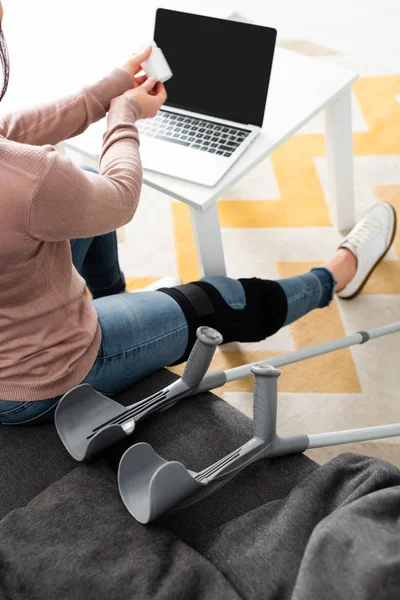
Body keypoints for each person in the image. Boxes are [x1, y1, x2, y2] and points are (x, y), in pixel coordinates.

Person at [0, 3, 396, 425]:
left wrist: (108, 90)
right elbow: (118, 198)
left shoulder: (24, 179)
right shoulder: (30, 179)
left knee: (81, 181)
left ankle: (116, 301)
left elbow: (8, 133)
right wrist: (125, 115)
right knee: (217, 300)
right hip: (36, 378)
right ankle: (335, 277)